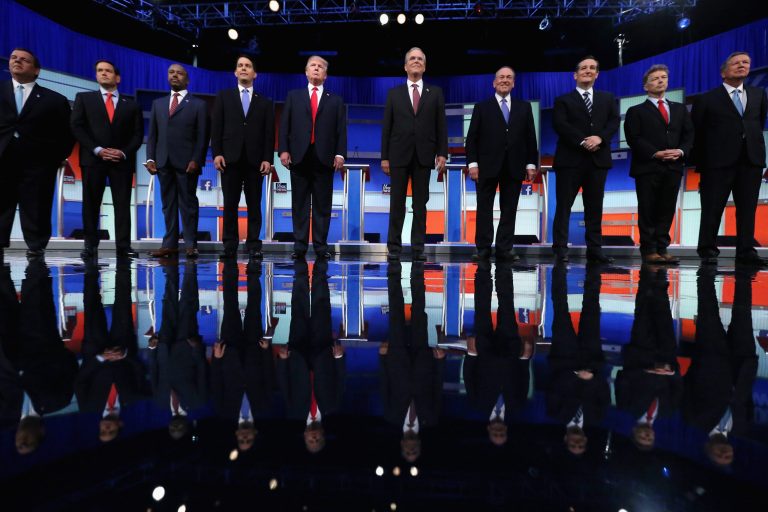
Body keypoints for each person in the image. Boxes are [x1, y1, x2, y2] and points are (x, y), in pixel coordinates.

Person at [692, 51, 768, 266]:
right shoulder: (706, 99)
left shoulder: (759, 94)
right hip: (716, 164)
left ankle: (746, 252)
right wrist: (701, 165)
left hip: (750, 161)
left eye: (746, 62)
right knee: (712, 208)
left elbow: (758, 123)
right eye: (736, 63)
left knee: (747, 209)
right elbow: (697, 132)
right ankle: (707, 251)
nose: (742, 65)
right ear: (723, 72)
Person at [0, 48, 74, 260]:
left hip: (38, 164)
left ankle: (36, 247)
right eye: (14, 58)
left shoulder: (55, 100)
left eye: (24, 60)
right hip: (2, 159)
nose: (17, 61)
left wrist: (54, 159)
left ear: (36, 70)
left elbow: (67, 134)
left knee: (37, 206)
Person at [71, 60, 143, 260]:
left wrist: (123, 152)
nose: (103, 73)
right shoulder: (84, 98)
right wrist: (98, 149)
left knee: (123, 205)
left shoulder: (132, 105)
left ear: (117, 77)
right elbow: (77, 127)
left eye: (108, 71)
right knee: (91, 204)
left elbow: (137, 135)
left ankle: (124, 247)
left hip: (122, 162)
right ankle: (90, 246)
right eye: (100, 70)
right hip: (93, 160)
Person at [381, 47, 448, 261]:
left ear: (425, 66)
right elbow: (387, 127)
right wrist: (384, 157)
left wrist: (442, 152)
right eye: (412, 58)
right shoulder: (394, 93)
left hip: (424, 155)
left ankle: (418, 248)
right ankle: (394, 248)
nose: (416, 61)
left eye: (420, 59)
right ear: (405, 66)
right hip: (398, 155)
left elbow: (441, 125)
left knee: (420, 205)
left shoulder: (435, 93)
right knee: (396, 204)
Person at [465, 66, 539, 261]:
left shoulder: (524, 107)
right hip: (486, 166)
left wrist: (531, 164)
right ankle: (482, 248)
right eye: (501, 77)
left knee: (509, 209)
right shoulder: (482, 107)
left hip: (514, 166)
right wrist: (472, 164)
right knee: (484, 208)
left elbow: (530, 138)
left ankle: (505, 248)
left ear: (513, 83)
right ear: (494, 82)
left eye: (509, 77)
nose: (505, 80)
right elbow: (472, 138)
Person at [551, 56, 620, 264]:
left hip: (597, 160)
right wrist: (583, 141)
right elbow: (560, 125)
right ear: (575, 75)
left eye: (592, 68)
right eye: (583, 68)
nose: (588, 70)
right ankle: (560, 249)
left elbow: (613, 122)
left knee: (594, 208)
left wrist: (600, 138)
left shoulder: (608, 99)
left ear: (597, 74)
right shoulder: (563, 100)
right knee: (564, 207)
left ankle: (595, 250)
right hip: (570, 161)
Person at [624, 64, 694, 264]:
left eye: (663, 77)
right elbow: (634, 138)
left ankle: (663, 248)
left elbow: (689, 135)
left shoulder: (679, 109)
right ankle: (649, 250)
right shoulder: (635, 111)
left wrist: (680, 151)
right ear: (645, 86)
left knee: (666, 209)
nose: (660, 81)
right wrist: (655, 153)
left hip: (673, 166)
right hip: (648, 167)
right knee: (648, 210)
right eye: (655, 78)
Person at [279, 56, 347, 260]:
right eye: (313, 66)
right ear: (306, 72)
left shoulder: (335, 100)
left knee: (322, 205)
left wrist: (340, 153)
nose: (316, 68)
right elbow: (284, 125)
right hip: (299, 156)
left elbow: (340, 130)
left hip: (324, 158)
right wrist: (283, 150)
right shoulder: (294, 96)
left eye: (320, 67)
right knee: (299, 204)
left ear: (325, 75)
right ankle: (299, 247)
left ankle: (320, 247)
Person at [276, 260, 345, 453]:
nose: (314, 438)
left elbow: (284, 382)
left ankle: (299, 264)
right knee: (321, 307)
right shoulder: (332, 406)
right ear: (323, 434)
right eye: (317, 440)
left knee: (298, 308)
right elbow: (340, 379)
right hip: (322, 352)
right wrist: (339, 358)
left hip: (297, 354)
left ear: (305, 436)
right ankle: (321, 264)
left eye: (311, 441)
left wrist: (282, 361)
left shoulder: (294, 410)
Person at [211, 55, 275, 261]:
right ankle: (229, 245)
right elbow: (216, 128)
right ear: (235, 72)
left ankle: (254, 245)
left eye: (248, 66)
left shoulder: (265, 102)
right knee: (230, 203)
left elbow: (269, 133)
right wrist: (217, 153)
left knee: (254, 205)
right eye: (240, 66)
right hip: (230, 159)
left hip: (255, 161)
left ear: (255, 74)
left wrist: (268, 158)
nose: (244, 68)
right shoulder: (224, 97)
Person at [463, 262, 531, 446]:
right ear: (506, 430)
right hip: (510, 350)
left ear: (489, 429)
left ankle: (483, 268)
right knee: (507, 305)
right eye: (502, 434)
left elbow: (469, 377)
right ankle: (504, 268)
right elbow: (524, 379)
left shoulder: (478, 405)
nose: (499, 431)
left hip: (484, 352)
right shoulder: (517, 406)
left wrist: (471, 355)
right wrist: (525, 357)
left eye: (495, 434)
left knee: (482, 307)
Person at [146, 63, 208, 259]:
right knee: (168, 205)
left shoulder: (198, 104)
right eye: (171, 72)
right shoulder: (158, 104)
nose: (175, 75)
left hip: (187, 164)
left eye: (179, 73)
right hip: (163, 162)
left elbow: (203, 136)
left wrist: (196, 159)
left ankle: (191, 244)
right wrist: (150, 157)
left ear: (187, 79)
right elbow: (152, 135)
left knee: (188, 204)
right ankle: (169, 244)